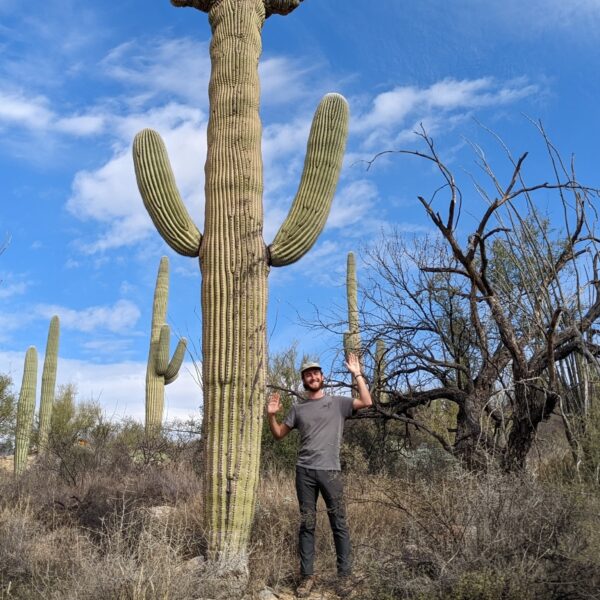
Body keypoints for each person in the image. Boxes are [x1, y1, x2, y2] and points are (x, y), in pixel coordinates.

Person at [267, 353, 373, 598]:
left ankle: (344, 577)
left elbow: (367, 401)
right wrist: (272, 415)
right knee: (307, 524)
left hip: (331, 471)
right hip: (304, 471)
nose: (312, 377)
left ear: (322, 377)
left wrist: (357, 373)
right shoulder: (298, 408)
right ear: (304, 381)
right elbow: (279, 434)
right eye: (308, 374)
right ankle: (307, 577)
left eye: (316, 373)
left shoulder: (338, 402)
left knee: (339, 523)